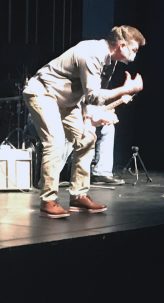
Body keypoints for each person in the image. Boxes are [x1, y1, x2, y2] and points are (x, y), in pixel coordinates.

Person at [23, 25, 145, 218]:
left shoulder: (110, 62)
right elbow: (95, 95)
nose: (135, 55)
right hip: (43, 93)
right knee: (54, 142)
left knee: (88, 138)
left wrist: (90, 117)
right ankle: (48, 200)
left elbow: (91, 99)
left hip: (67, 101)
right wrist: (125, 89)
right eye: (134, 50)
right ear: (121, 45)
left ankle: (78, 195)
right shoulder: (93, 53)